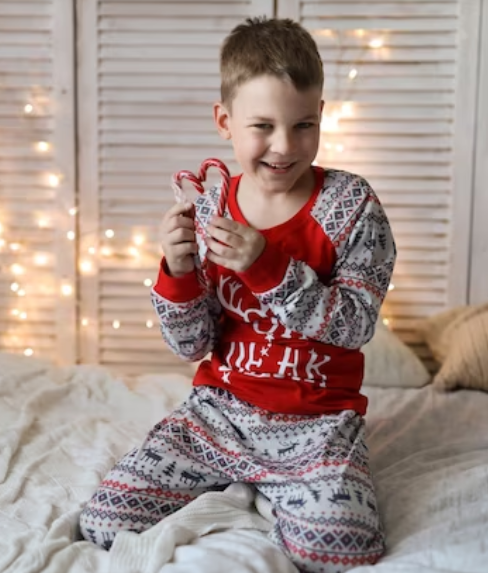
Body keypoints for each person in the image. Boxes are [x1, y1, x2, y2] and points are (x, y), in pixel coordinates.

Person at [79, 16, 396, 573]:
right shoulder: (210, 206)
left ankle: (275, 494)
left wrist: (267, 265)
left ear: (321, 115)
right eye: (263, 126)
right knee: (105, 520)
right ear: (224, 121)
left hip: (316, 422)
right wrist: (178, 269)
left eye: (302, 125)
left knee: (342, 551)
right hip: (220, 413)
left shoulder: (352, 206)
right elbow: (190, 342)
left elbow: (353, 324)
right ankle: (239, 493)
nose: (284, 145)